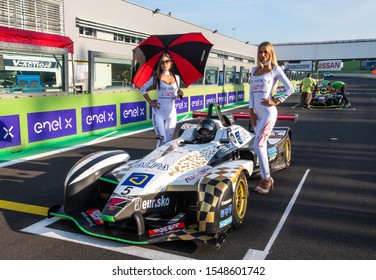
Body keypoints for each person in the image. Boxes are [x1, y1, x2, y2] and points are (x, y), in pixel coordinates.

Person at [249, 41, 294, 194]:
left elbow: (291, 88)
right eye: (260, 52)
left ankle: (266, 179)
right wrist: (251, 112)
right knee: (260, 145)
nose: (262, 55)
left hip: (269, 112)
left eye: (265, 52)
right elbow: (251, 94)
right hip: (257, 114)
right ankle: (265, 178)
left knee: (259, 145)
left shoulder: (275, 69)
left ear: (271, 53)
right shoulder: (254, 70)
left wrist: (276, 101)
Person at [140, 53, 182, 147]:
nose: (165, 64)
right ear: (160, 64)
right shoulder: (156, 77)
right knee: (162, 139)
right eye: (162, 62)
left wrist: (180, 94)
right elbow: (142, 89)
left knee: (169, 140)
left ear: (171, 62)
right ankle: (155, 160)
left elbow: (176, 96)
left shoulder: (176, 78)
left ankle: (165, 160)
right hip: (158, 113)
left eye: (167, 61)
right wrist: (151, 103)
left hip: (171, 113)